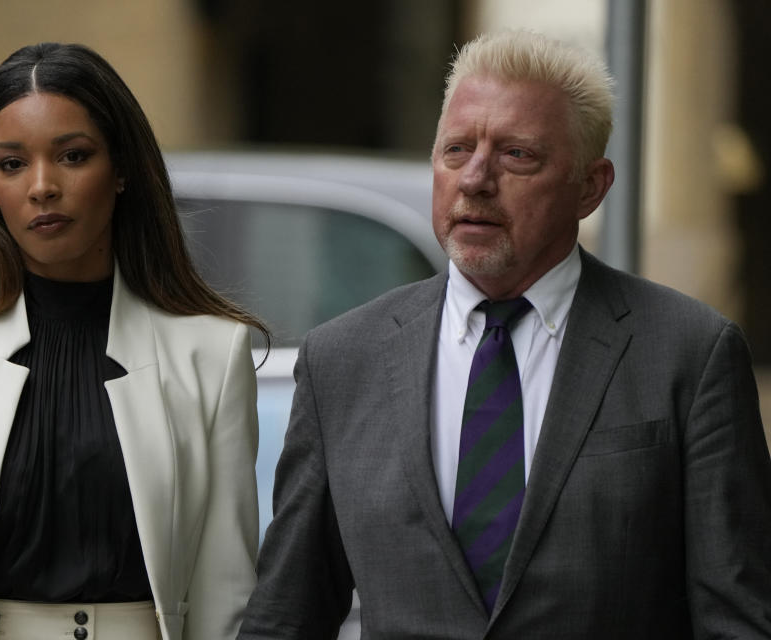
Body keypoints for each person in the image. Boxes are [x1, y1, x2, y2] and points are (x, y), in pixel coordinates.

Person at [238, 30, 771, 639]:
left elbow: (738, 620)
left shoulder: (689, 355)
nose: (475, 180)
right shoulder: (342, 360)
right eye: (456, 150)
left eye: (516, 155)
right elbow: (286, 617)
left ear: (591, 187)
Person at [0, 42, 264, 640]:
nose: (41, 186)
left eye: (72, 155)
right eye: (11, 163)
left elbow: (226, 598)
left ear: (121, 169)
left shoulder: (212, 352)